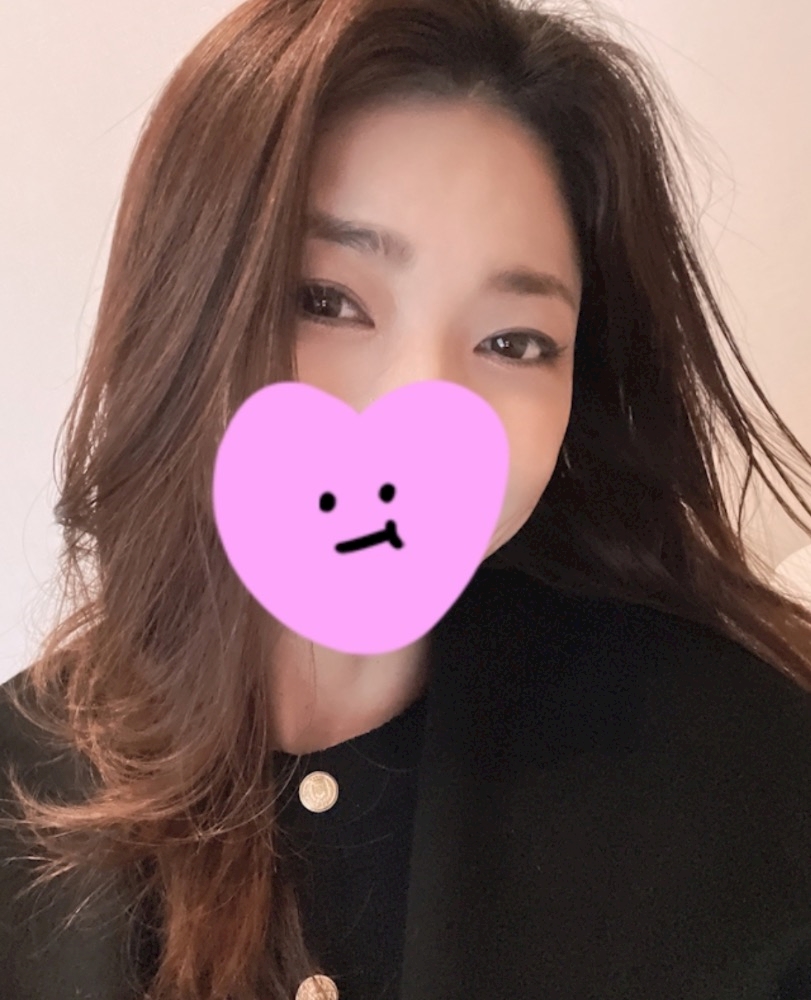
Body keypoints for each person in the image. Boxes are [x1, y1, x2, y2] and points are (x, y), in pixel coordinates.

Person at [2, 0, 811, 997]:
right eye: (327, 300)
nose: (419, 413)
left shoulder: (743, 776)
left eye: (513, 341)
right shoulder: (19, 787)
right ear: (179, 310)